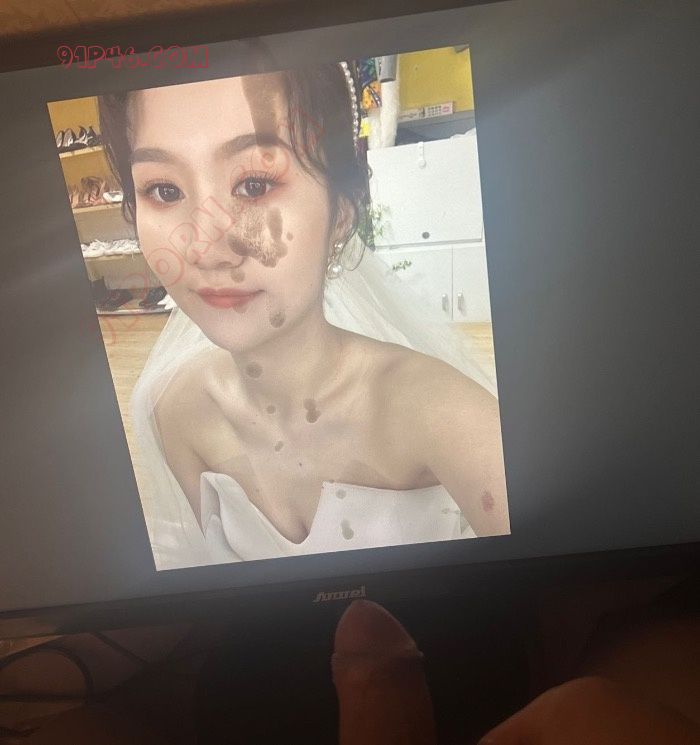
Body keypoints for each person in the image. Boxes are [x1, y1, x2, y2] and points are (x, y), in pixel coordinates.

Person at [98, 60, 510, 569]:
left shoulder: (451, 418)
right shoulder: (174, 411)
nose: (205, 248)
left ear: (341, 212)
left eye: (254, 184)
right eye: (164, 191)